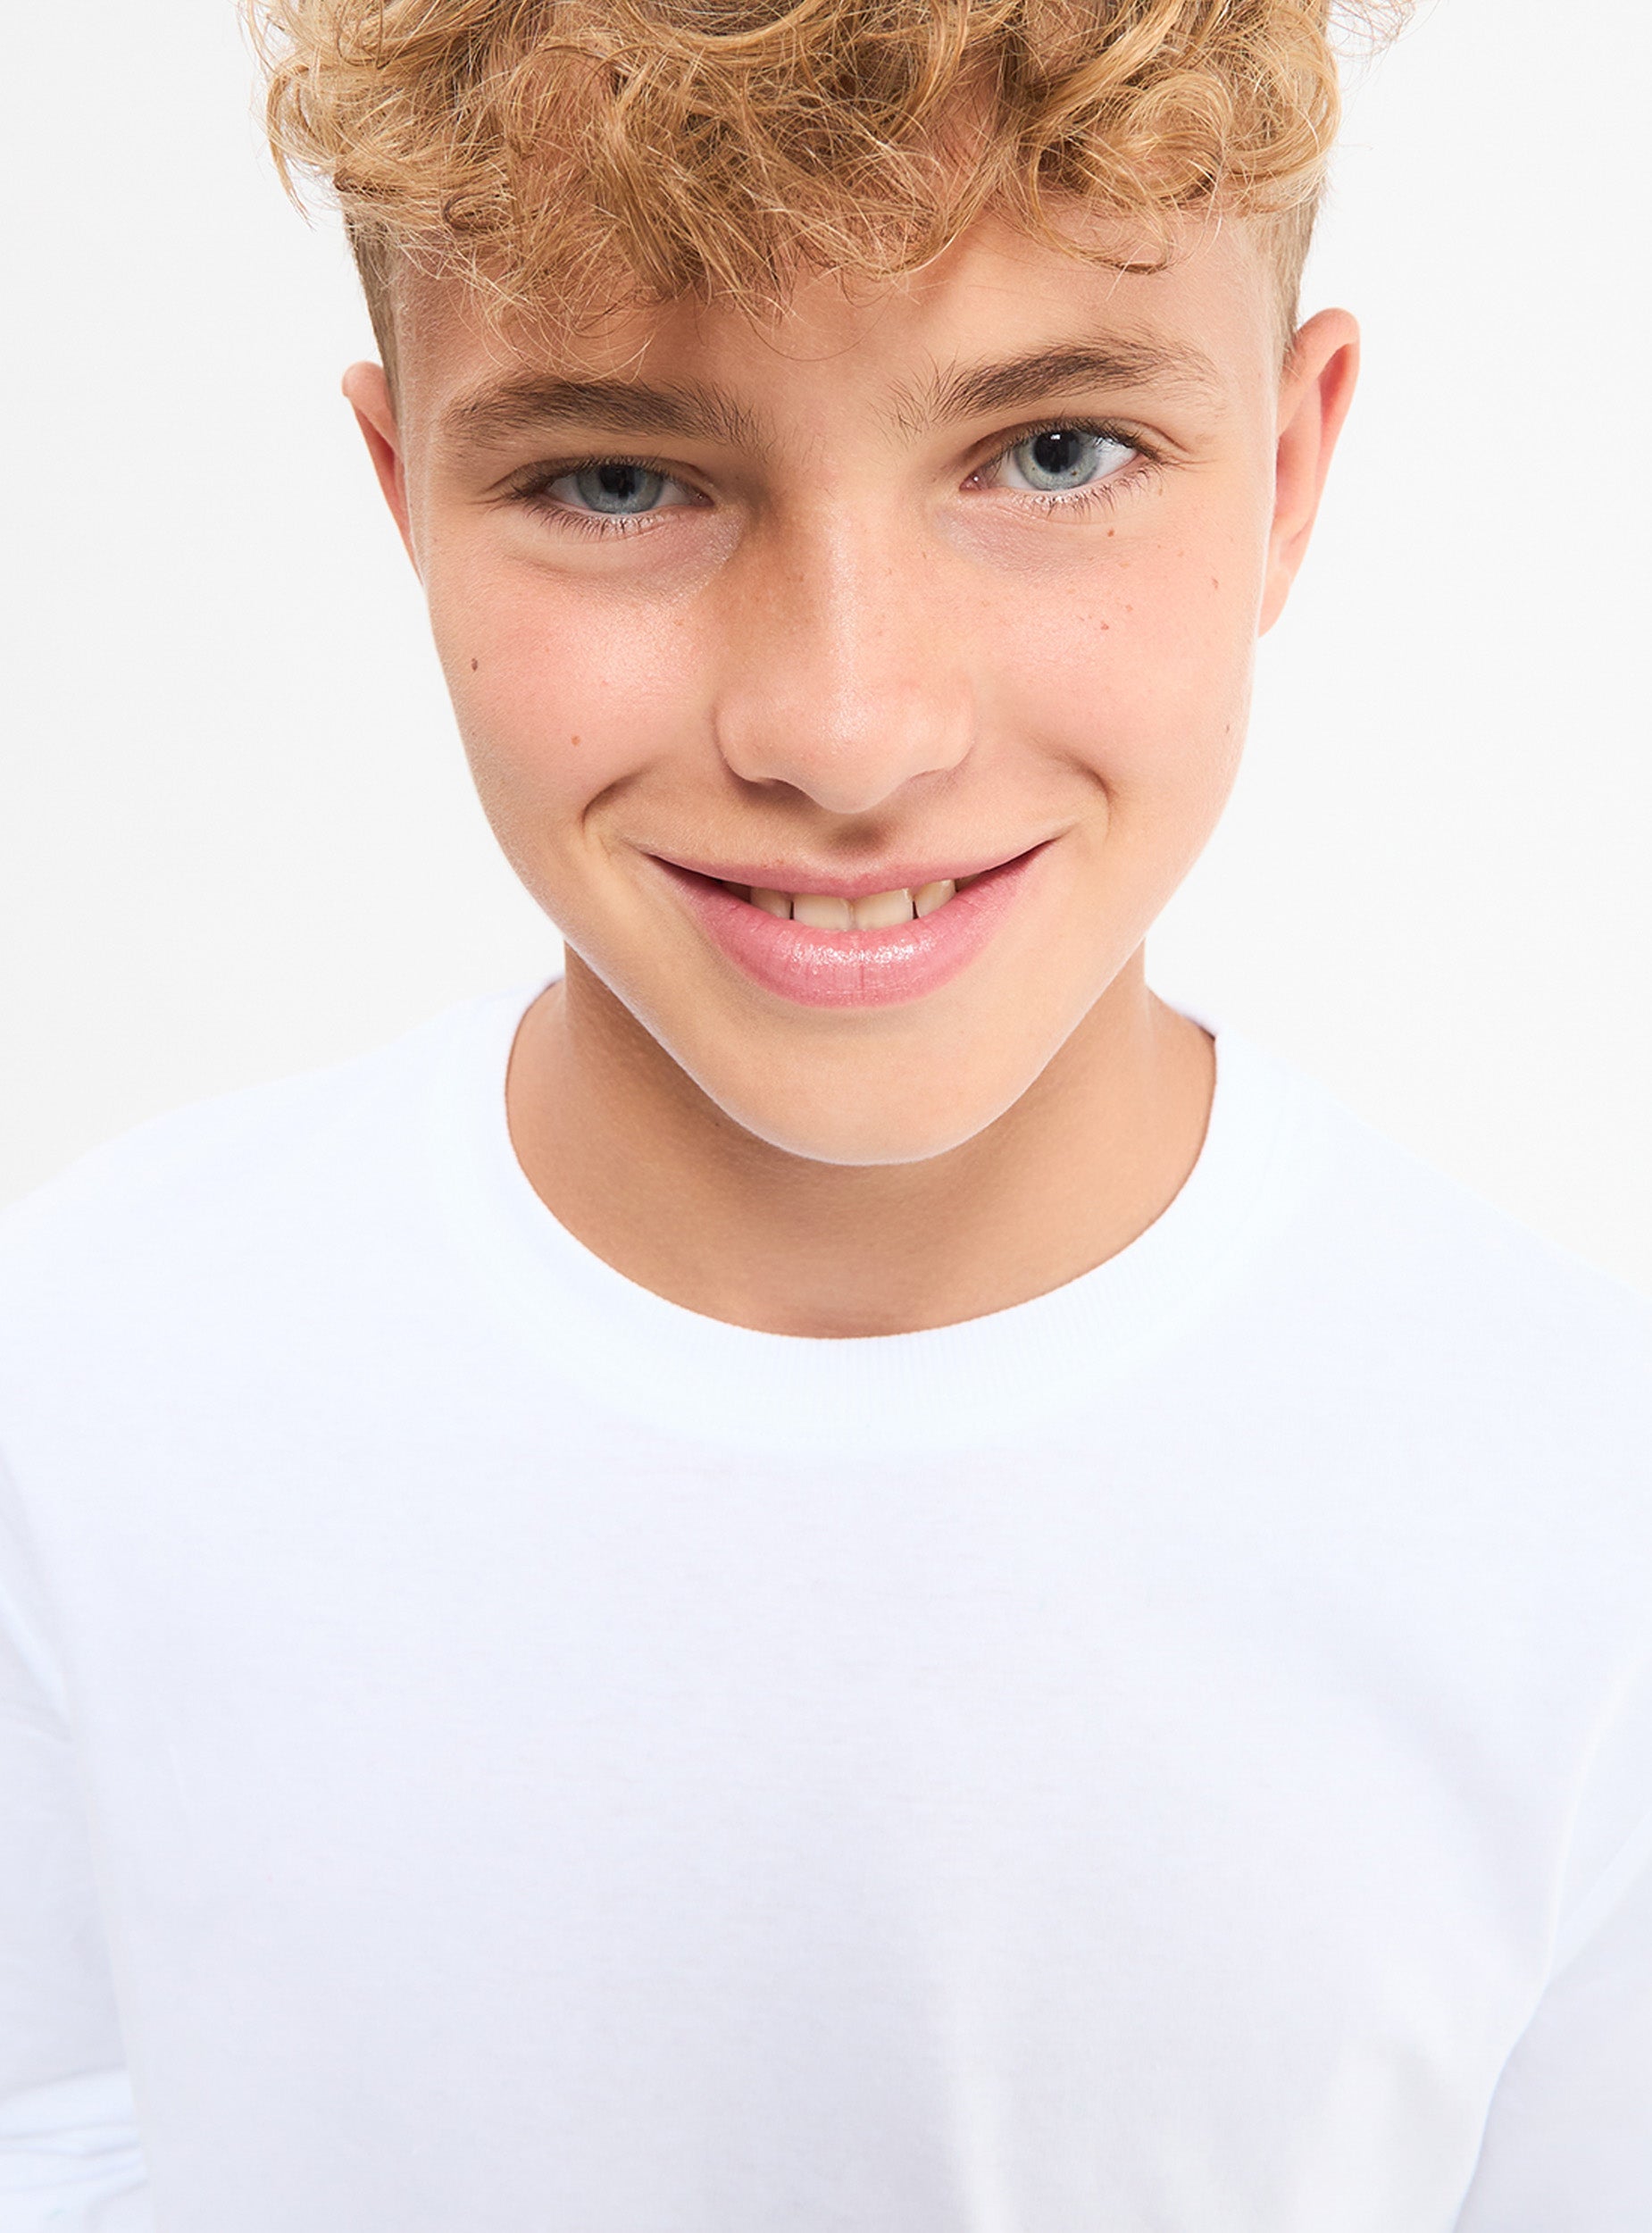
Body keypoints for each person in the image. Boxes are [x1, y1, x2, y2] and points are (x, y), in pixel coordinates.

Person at [1, 0, 1646, 2223]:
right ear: (407, 501)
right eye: (618, 479)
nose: (848, 727)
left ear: (1287, 466)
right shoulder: (80, 1398)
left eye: (1052, 453)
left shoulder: (1582, 1529)